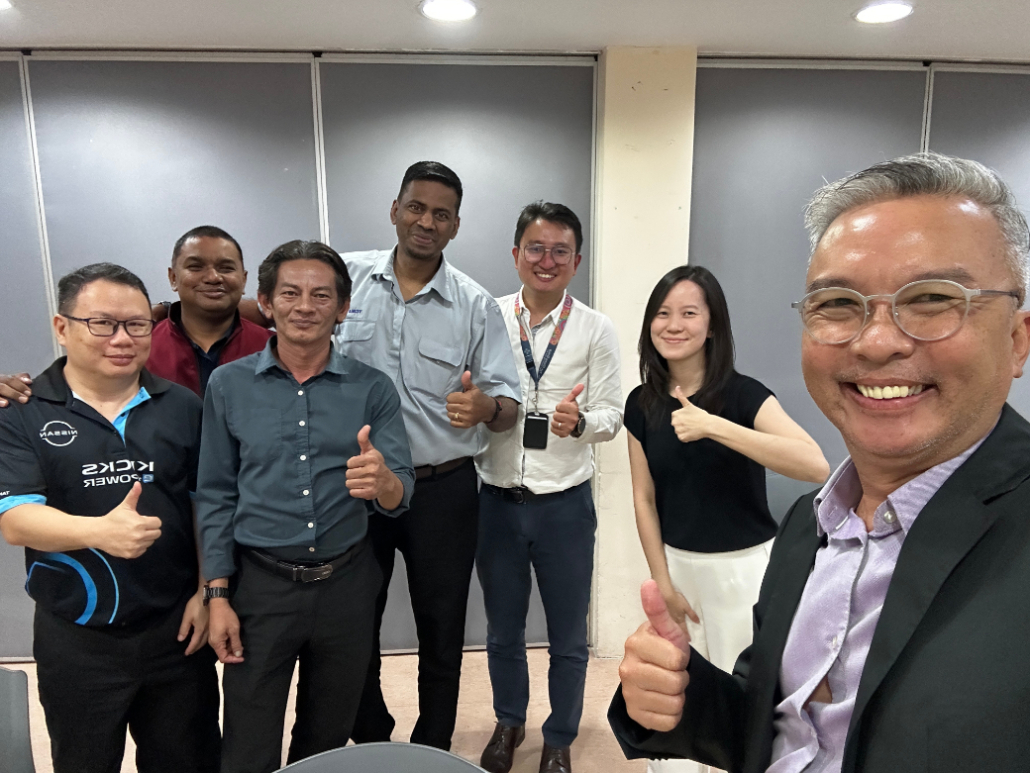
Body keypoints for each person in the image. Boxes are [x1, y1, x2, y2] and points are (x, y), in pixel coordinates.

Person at [609, 153, 1030, 773]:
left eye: (933, 299)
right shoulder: (811, 527)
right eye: (838, 303)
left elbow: (804, 457)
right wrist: (684, 699)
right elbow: (772, 723)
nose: (877, 340)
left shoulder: (744, 397)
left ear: (1017, 339)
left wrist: (714, 427)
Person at [195, 240, 415, 773]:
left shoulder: (372, 388)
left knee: (326, 739)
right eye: (290, 293)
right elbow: (215, 494)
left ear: (342, 308)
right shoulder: (228, 385)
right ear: (266, 303)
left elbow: (402, 492)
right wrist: (217, 594)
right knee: (248, 741)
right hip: (260, 586)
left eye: (321, 295)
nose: (305, 306)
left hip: (346, 586)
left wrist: (384, 481)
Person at [332, 161, 522, 751]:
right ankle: (372, 739)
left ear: (455, 226)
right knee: (352, 625)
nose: (426, 222)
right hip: (357, 487)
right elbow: (281, 309)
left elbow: (510, 404)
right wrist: (165, 313)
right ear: (395, 209)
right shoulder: (345, 278)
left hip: (443, 490)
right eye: (416, 207)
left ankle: (433, 747)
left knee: (441, 630)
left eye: (442, 214)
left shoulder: (476, 304)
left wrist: (486, 407)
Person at [0, 263, 220, 773]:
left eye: (137, 324)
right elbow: (15, 519)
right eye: (101, 323)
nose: (122, 339)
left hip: (176, 629)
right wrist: (100, 532)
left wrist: (208, 591)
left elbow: (204, 505)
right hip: (77, 636)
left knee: (188, 761)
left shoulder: (182, 406)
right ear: (62, 327)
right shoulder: (22, 411)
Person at [625, 265, 828, 773]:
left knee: (741, 700)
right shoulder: (642, 403)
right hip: (677, 567)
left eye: (689, 313)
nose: (674, 325)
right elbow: (643, 498)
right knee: (677, 689)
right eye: (662, 314)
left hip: (744, 571)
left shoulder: (743, 395)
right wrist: (663, 581)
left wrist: (713, 426)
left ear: (712, 325)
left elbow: (814, 464)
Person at [475, 202, 623, 773]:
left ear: (575, 261)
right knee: (503, 629)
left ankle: (559, 736)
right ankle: (509, 722)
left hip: (565, 505)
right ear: (516, 254)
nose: (546, 260)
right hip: (496, 500)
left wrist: (580, 423)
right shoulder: (487, 316)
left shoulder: (595, 328)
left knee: (567, 634)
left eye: (560, 251)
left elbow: (612, 413)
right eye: (535, 248)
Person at [0, 224, 271, 404]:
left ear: (244, 279)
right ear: (173, 278)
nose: (213, 277)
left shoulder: (273, 349)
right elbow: (80, 391)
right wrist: (18, 391)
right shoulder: (135, 347)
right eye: (196, 266)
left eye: (226, 268)